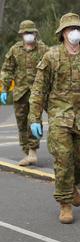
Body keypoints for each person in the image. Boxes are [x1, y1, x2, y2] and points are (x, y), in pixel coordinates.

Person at [28, 13, 80, 224]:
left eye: (77, 29)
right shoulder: (51, 56)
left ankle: (71, 184)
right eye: (70, 29)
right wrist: (35, 118)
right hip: (59, 117)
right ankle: (65, 204)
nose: (74, 32)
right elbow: (39, 89)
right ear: (63, 33)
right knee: (63, 159)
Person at [0, 20, 49, 166]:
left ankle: (32, 151)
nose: (29, 35)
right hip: (20, 93)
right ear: (21, 34)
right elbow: (7, 70)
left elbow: (52, 68)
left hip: (37, 93)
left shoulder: (43, 49)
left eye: (31, 32)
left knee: (34, 121)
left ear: (35, 33)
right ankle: (27, 150)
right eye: (26, 33)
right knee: (21, 123)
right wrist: (4, 89)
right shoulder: (15, 50)